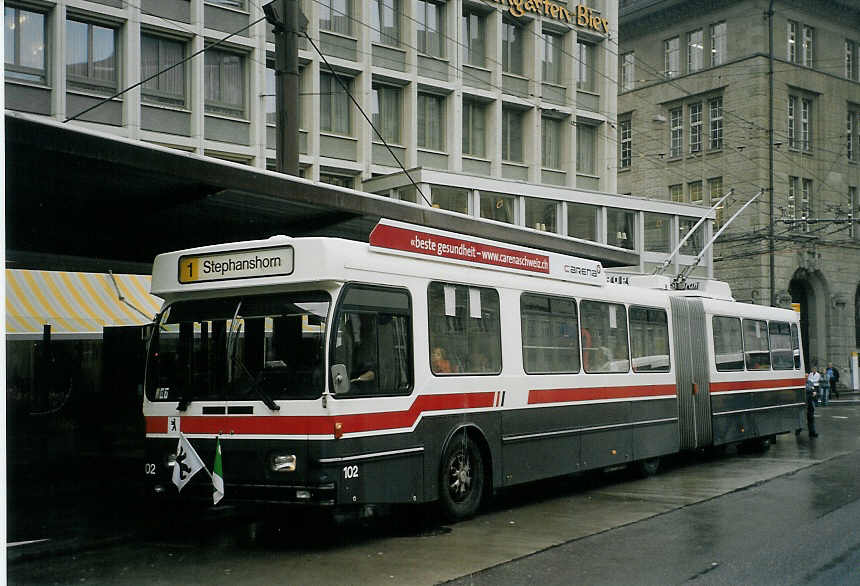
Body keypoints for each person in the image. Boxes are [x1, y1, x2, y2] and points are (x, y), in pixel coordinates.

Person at [805, 367, 820, 437]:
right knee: (802, 418)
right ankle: (798, 430)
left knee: (811, 418)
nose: (806, 377)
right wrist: (811, 390)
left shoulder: (810, 382)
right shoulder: (801, 382)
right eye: (805, 376)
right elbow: (807, 389)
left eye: (807, 376)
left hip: (810, 402)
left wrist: (814, 392)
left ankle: (812, 432)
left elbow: (813, 390)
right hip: (804, 402)